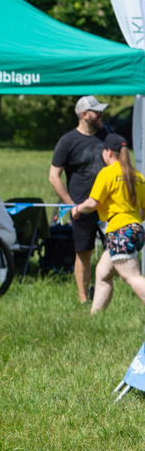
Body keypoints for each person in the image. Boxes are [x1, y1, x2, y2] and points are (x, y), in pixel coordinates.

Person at [72, 134, 145, 315]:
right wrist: (132, 222)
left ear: (107, 152)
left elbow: (92, 203)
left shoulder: (107, 173)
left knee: (132, 277)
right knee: (103, 273)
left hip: (119, 231)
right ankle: (95, 317)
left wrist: (77, 209)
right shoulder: (137, 176)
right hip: (135, 229)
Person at [49, 95, 108, 304]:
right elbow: (53, 176)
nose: (101, 114)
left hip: (108, 206)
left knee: (116, 250)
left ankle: (102, 289)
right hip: (82, 207)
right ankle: (84, 300)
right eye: (96, 111)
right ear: (84, 115)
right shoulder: (67, 141)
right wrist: (70, 204)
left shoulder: (105, 134)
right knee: (84, 253)